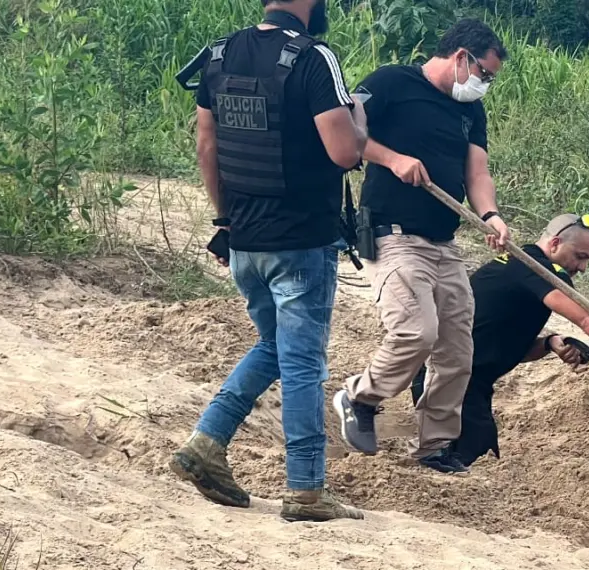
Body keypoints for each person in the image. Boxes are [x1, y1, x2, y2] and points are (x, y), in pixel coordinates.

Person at [168, 0, 368, 522]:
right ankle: (306, 489)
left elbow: (206, 144)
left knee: (275, 348)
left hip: (245, 240)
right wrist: (360, 119)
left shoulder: (218, 55)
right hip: (300, 242)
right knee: (302, 363)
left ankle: (206, 443)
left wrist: (225, 220)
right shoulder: (312, 57)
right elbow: (345, 152)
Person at [331, 19, 512, 474]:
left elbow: (477, 173)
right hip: (393, 234)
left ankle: (435, 444)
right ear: (460, 58)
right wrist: (393, 159)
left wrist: (490, 215)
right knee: (416, 331)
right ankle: (359, 397)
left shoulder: (470, 111)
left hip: (443, 242)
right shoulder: (391, 82)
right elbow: (346, 133)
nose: (483, 86)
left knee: (456, 350)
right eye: (483, 75)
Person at [407, 214, 589, 467]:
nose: (583, 267)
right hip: (448, 376)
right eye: (580, 256)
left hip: (463, 378)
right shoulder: (538, 269)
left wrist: (549, 343)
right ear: (554, 244)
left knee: (481, 446)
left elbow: (497, 343)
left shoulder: (519, 264)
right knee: (467, 452)